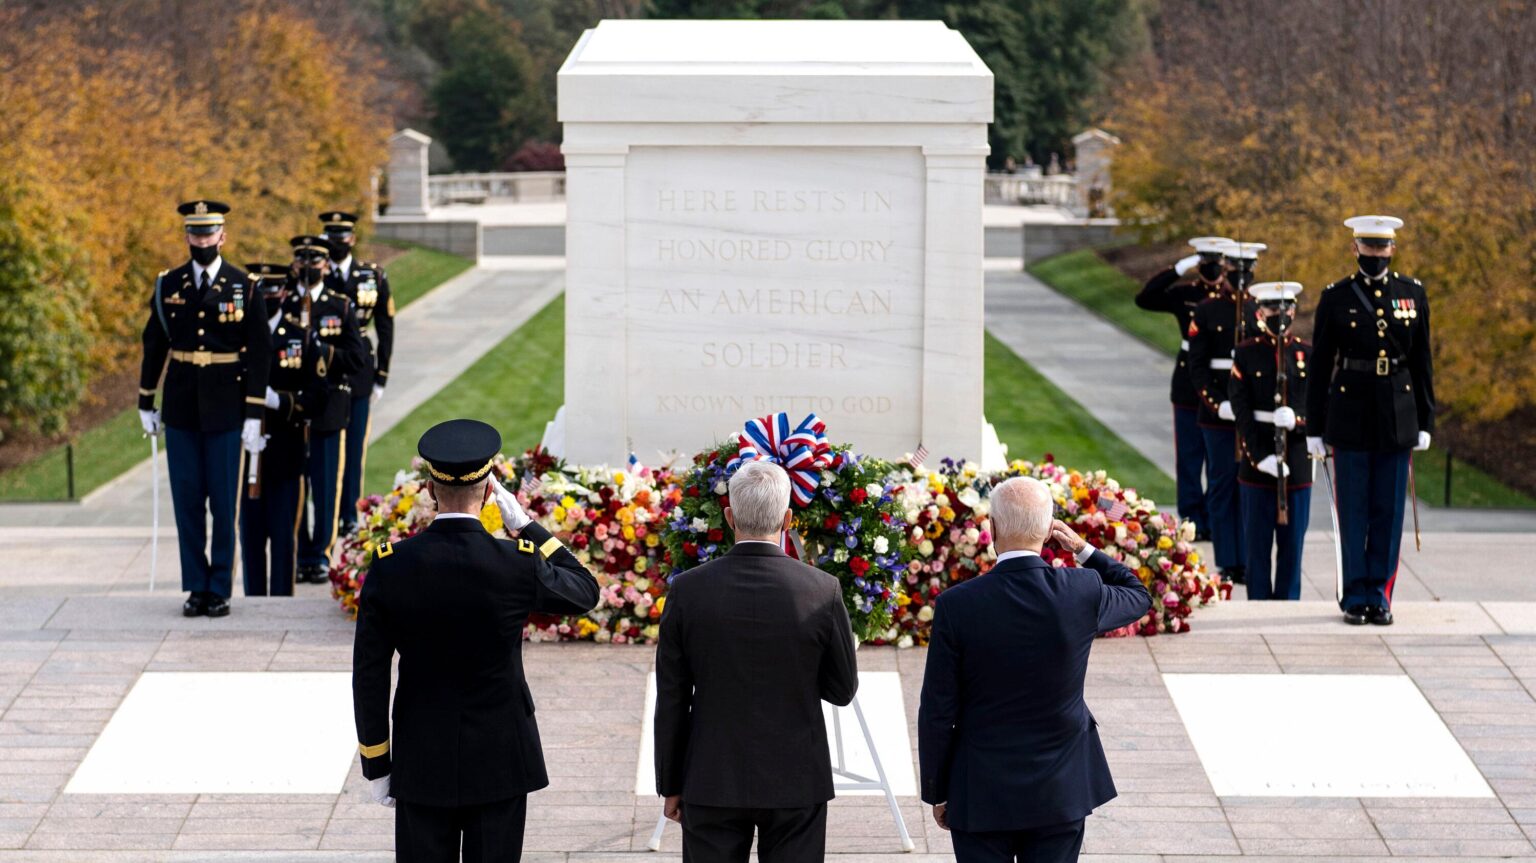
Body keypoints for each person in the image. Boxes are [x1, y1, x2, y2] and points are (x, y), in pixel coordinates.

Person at [352, 418, 600, 862]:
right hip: (501, 757)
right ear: (489, 493)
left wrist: (377, 761)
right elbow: (584, 591)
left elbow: (369, 673)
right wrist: (527, 526)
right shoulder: (515, 563)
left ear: (430, 489)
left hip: (421, 756)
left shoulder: (392, 566)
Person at [918, 477, 1151, 863]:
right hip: (1059, 789)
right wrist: (1083, 549)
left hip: (980, 790)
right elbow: (1138, 595)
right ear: (1047, 531)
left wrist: (938, 790)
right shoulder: (1080, 590)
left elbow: (938, 709)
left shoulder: (957, 605)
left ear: (992, 529)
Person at [653, 460, 859, 863]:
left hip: (711, 774)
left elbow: (673, 697)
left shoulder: (688, 592)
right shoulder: (821, 590)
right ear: (788, 519)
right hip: (796, 776)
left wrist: (670, 782)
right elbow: (841, 690)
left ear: (729, 516)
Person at [138, 200, 270, 618]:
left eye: (209, 233)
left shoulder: (244, 285)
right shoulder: (168, 284)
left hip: (227, 407)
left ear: (222, 236)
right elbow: (154, 344)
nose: (202, 241)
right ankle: (196, 586)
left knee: (222, 499)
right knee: (188, 499)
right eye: (195, 234)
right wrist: (145, 400)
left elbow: (261, 352)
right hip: (180, 406)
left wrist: (253, 412)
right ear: (187, 237)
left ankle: (219, 587)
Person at [1306, 215, 1434, 626]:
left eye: (1382, 248)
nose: (1375, 255)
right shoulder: (1336, 297)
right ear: (1355, 248)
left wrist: (1426, 421)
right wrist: (1314, 427)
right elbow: (1320, 365)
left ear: (1392, 250)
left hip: (1396, 415)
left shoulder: (1411, 294)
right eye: (1368, 247)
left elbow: (1422, 362)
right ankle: (1353, 594)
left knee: (1388, 511)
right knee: (1354, 510)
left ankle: (1380, 594)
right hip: (1350, 413)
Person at [1135, 236, 1232, 541]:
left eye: (1218, 262)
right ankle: (1193, 521)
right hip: (1189, 384)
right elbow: (1145, 298)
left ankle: (1218, 520)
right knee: (1190, 459)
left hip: (1222, 388)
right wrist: (1178, 269)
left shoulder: (1234, 298)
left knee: (1221, 461)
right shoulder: (1187, 294)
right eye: (1206, 262)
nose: (1213, 268)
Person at [1186, 240, 1266, 585]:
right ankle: (1228, 559)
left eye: (1249, 271)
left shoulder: (1260, 310)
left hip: (1251, 414)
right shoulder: (1206, 309)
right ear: (1227, 270)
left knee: (1249, 486)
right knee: (1221, 486)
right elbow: (1197, 364)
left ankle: (1248, 558)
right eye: (1237, 271)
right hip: (1218, 413)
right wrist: (1218, 403)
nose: (1243, 277)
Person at [288, 235, 368, 584]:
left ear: (325, 265)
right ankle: (300, 552)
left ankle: (320, 552)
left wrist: (322, 352)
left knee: (324, 487)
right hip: (291, 411)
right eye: (302, 261)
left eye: (315, 261)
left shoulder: (341, 306)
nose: (308, 267)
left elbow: (357, 357)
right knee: (296, 485)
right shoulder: (284, 305)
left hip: (329, 407)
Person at [1229, 282, 1313, 601]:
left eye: (1285, 309)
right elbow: (1241, 410)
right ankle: (1258, 603)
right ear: (1260, 313)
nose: (1280, 315)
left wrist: (1298, 419)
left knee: (1292, 547)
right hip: (1258, 463)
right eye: (1272, 309)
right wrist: (1259, 456)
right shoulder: (1246, 352)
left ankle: (1288, 602)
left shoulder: (1307, 353)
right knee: (1257, 548)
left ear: (1293, 311)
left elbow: (1320, 405)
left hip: (1297, 462)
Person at [321, 210, 395, 538]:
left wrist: (382, 374)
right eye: (332, 237)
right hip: (323, 370)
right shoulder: (318, 274)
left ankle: (348, 512)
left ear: (352, 239)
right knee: (324, 449)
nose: (338, 243)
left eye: (343, 237)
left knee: (353, 449)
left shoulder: (372, 276)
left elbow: (385, 326)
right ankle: (325, 512)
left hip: (360, 373)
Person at [238, 263, 308, 597]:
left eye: (273, 291)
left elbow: (316, 398)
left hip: (285, 452)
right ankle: (253, 600)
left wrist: (279, 401)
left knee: (282, 537)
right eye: (261, 293)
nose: (268, 298)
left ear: (284, 292)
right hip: (246, 453)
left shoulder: (299, 337)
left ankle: (282, 603)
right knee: (250, 536)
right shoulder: (238, 336)